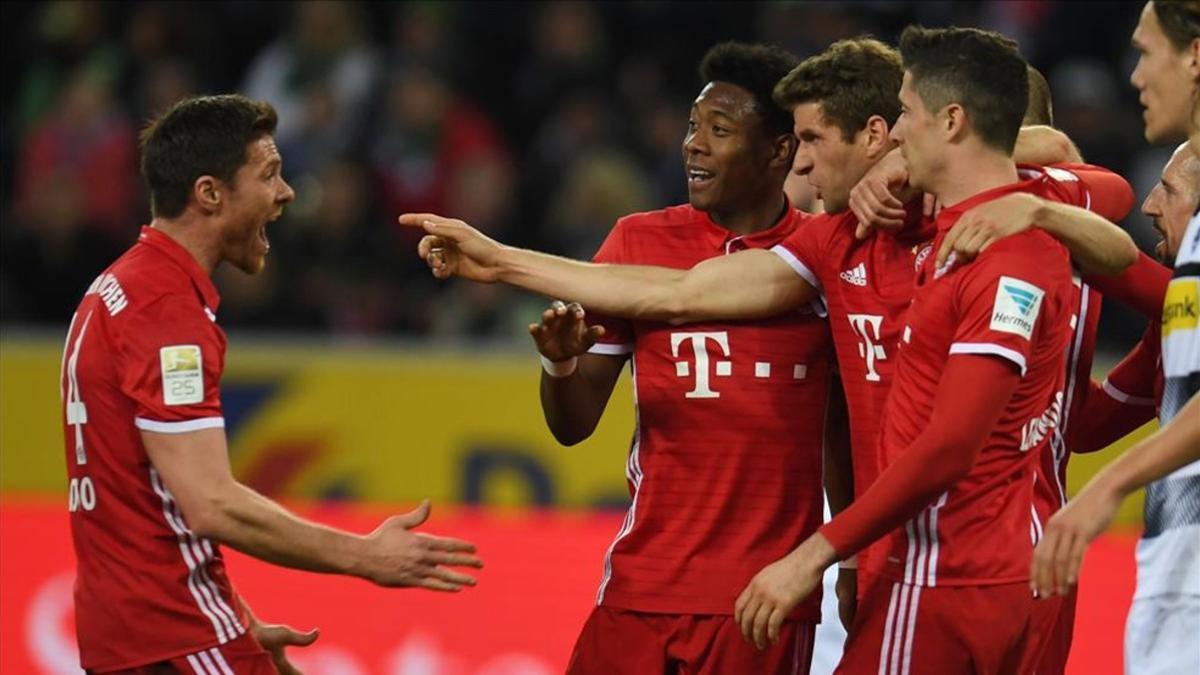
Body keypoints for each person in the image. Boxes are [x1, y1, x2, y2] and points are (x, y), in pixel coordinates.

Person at [59, 94, 482, 675]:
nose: (286, 194)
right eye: (270, 175)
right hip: (175, 634)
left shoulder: (116, 288)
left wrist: (239, 619)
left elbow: (146, 498)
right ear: (210, 194)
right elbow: (209, 504)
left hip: (132, 633)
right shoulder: (166, 315)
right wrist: (364, 555)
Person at [532, 41, 837, 675]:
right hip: (642, 584)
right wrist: (560, 365)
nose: (693, 145)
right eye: (692, 127)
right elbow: (573, 423)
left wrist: (850, 562)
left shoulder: (825, 257)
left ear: (780, 149)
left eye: (719, 131)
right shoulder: (638, 240)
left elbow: (846, 430)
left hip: (762, 600)